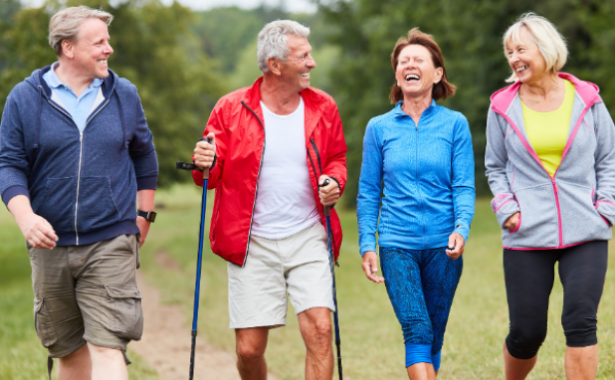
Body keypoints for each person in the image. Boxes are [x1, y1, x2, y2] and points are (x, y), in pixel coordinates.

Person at [0, 6, 158, 380]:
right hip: (48, 245)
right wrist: (26, 218)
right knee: (69, 353)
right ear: (68, 48)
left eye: (108, 40)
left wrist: (143, 217)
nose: (109, 49)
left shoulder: (123, 94)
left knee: (108, 346)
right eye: (99, 42)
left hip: (110, 239)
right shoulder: (25, 98)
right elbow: (8, 164)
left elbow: (144, 157)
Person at [191, 20, 347, 380]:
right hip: (252, 241)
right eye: (304, 55)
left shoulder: (323, 107)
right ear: (276, 65)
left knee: (321, 329)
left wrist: (333, 181)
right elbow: (208, 177)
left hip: (309, 233)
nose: (312, 63)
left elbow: (337, 158)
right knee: (248, 349)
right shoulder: (230, 109)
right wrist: (205, 162)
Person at [485, 12, 615, 380]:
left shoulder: (587, 98)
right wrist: (507, 208)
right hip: (527, 231)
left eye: (521, 49)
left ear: (545, 49)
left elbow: (609, 156)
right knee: (527, 333)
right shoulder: (502, 106)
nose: (513, 58)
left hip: (586, 228)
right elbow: (495, 166)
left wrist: (606, 206)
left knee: (580, 321)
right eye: (509, 52)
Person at [357, 28, 475, 380]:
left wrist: (462, 228)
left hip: (445, 247)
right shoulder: (379, 128)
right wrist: (367, 243)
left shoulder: (455, 125)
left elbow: (464, 186)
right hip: (397, 245)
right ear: (397, 74)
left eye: (418, 60)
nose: (409, 64)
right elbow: (367, 191)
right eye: (403, 61)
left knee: (433, 338)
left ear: (437, 73)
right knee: (417, 330)